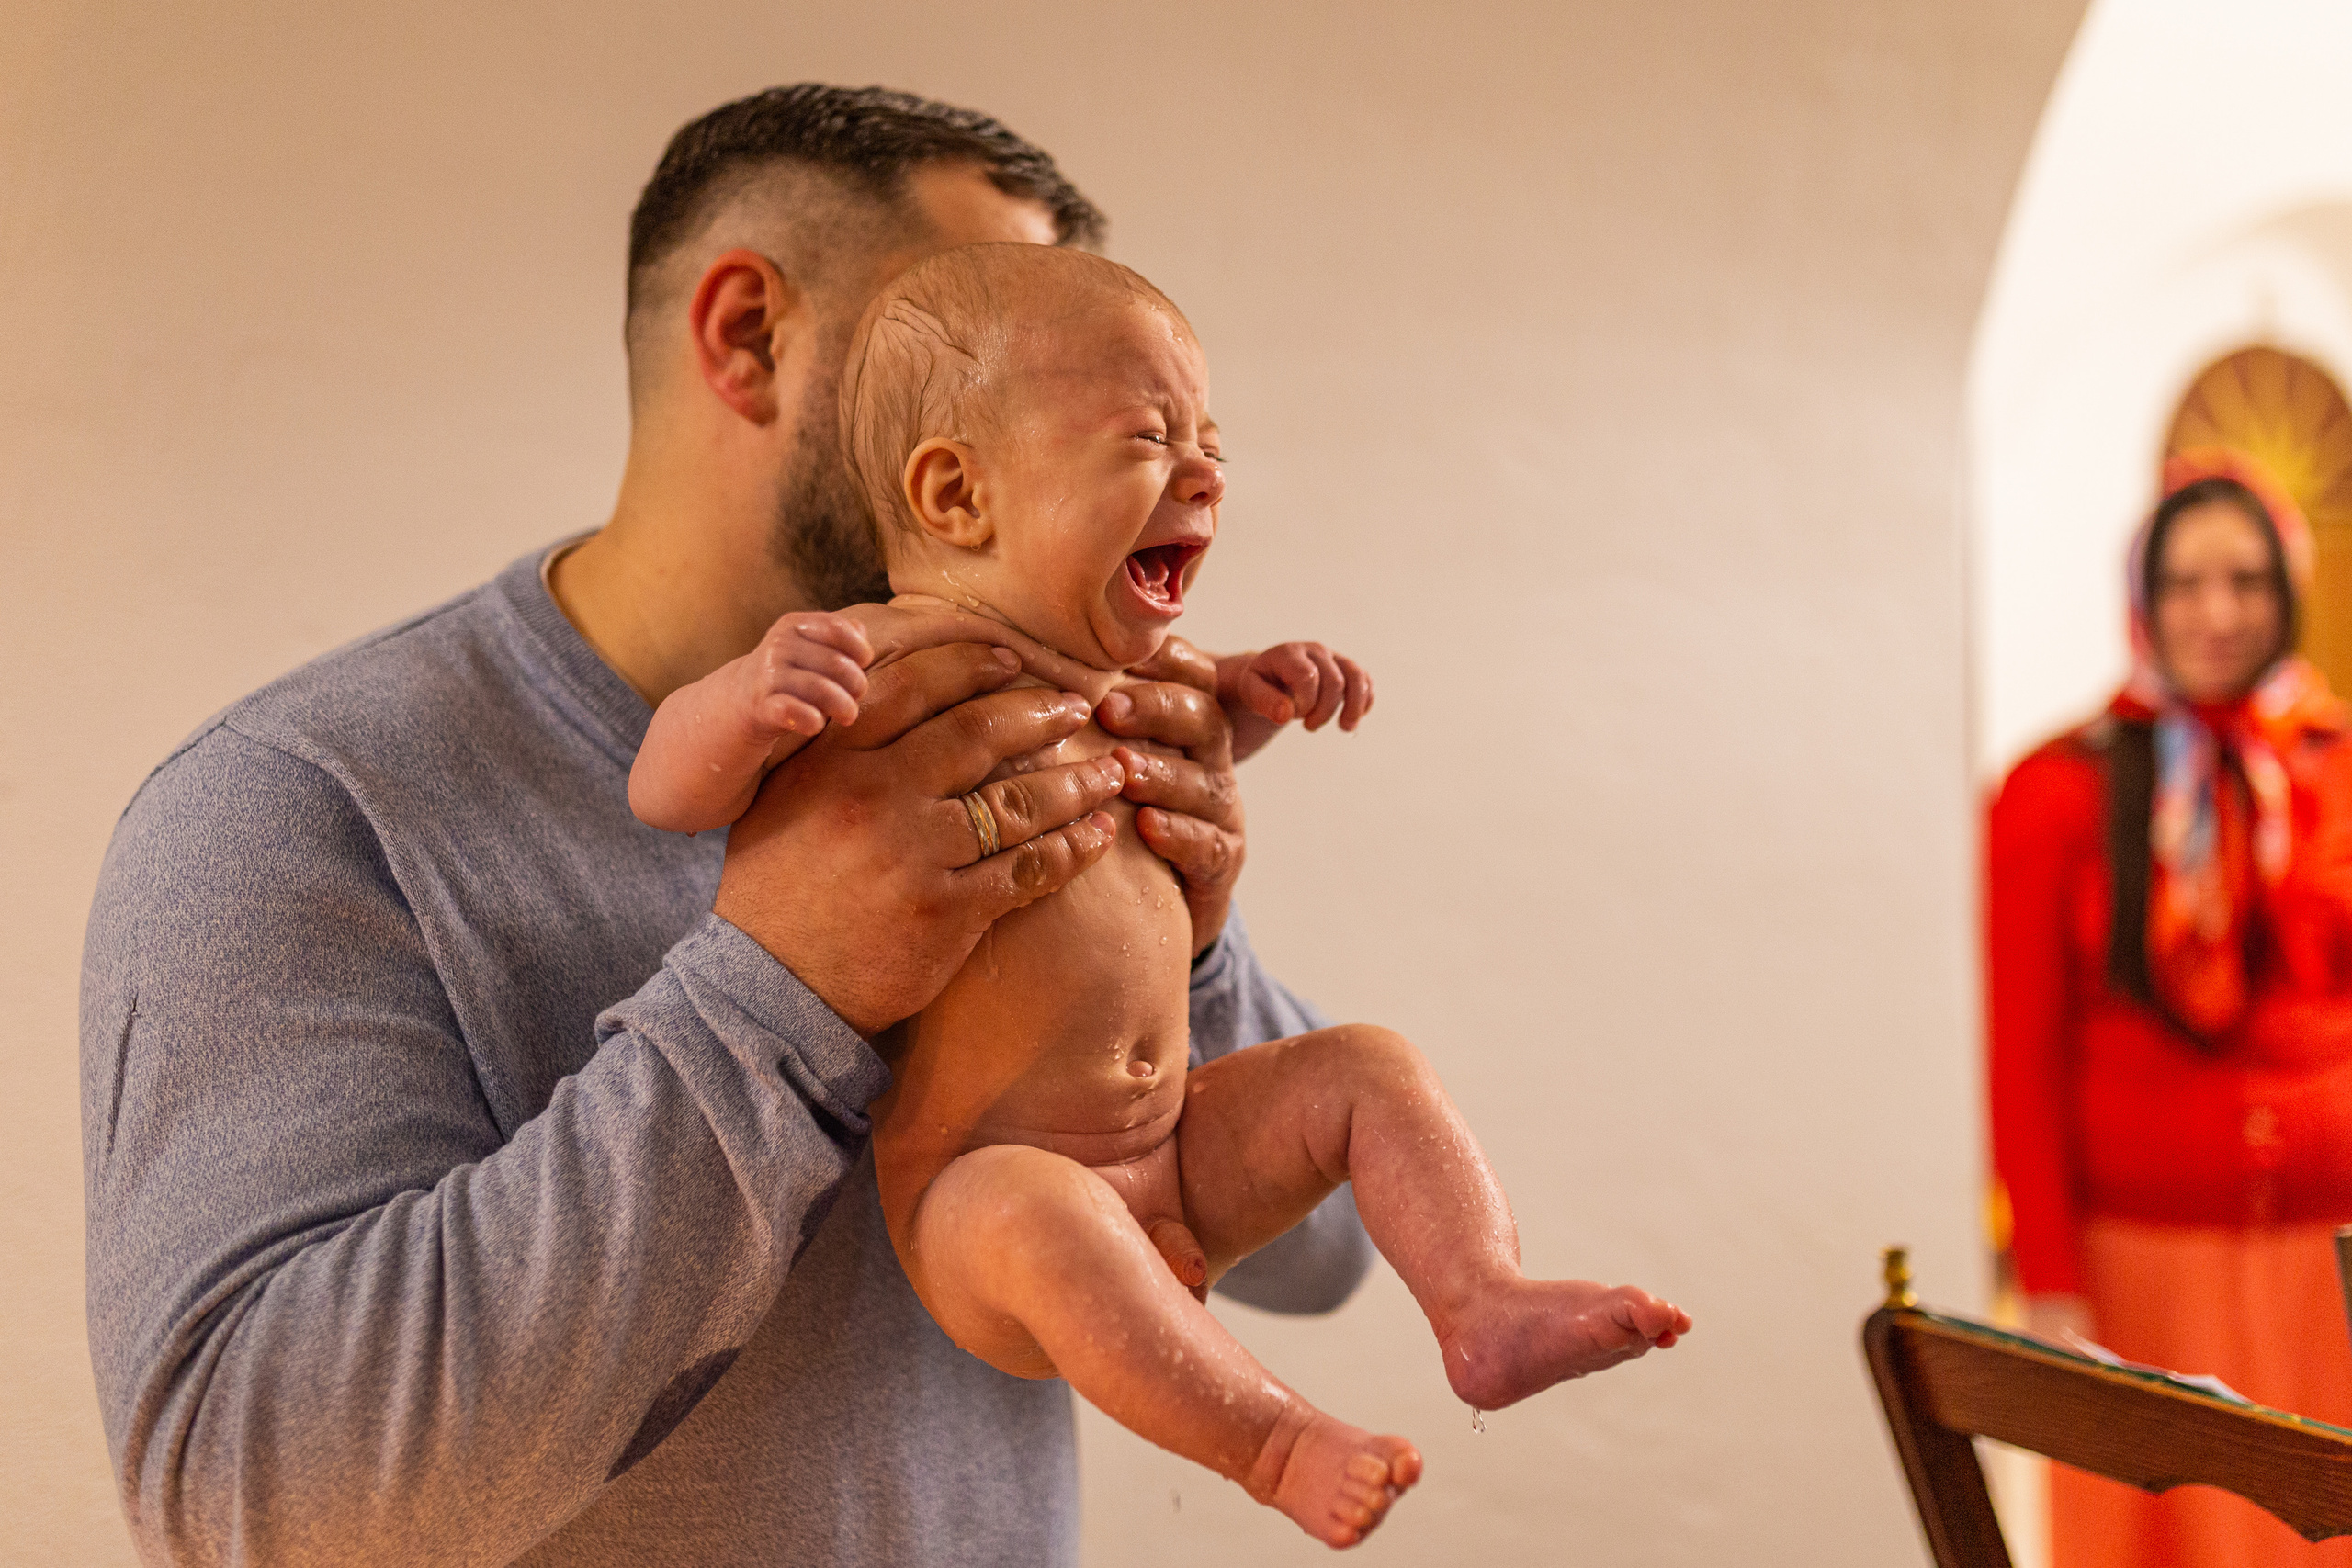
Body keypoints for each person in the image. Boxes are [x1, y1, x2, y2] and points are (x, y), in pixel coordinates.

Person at [79, 85, 1374, 1568]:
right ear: (750, 337)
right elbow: (263, 1507)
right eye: (974, 338)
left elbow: (1321, 1252)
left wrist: (1197, 946)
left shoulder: (1060, 733)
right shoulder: (296, 805)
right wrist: (785, 987)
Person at [634, 243, 1692, 1549]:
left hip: (1181, 1141)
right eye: (1146, 439)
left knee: (1369, 1061)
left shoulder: (1152, 670)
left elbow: (1189, 742)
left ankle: (1484, 1300)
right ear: (957, 494)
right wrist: (739, 707)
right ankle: (1275, 1436)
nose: (1204, 474)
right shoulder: (886, 661)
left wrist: (1260, 694)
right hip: (987, 1193)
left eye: (1208, 443)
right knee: (1042, 1208)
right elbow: (665, 791)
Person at [1987, 447, 2352, 1566]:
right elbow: (2020, 1050)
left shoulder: (2339, 765)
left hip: (2326, 1266)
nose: (2217, 612)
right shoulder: (2054, 789)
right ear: (2142, 599)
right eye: (2186, 583)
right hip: (2138, 1271)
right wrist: (2047, 1283)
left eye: (2246, 581)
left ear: (2287, 595)